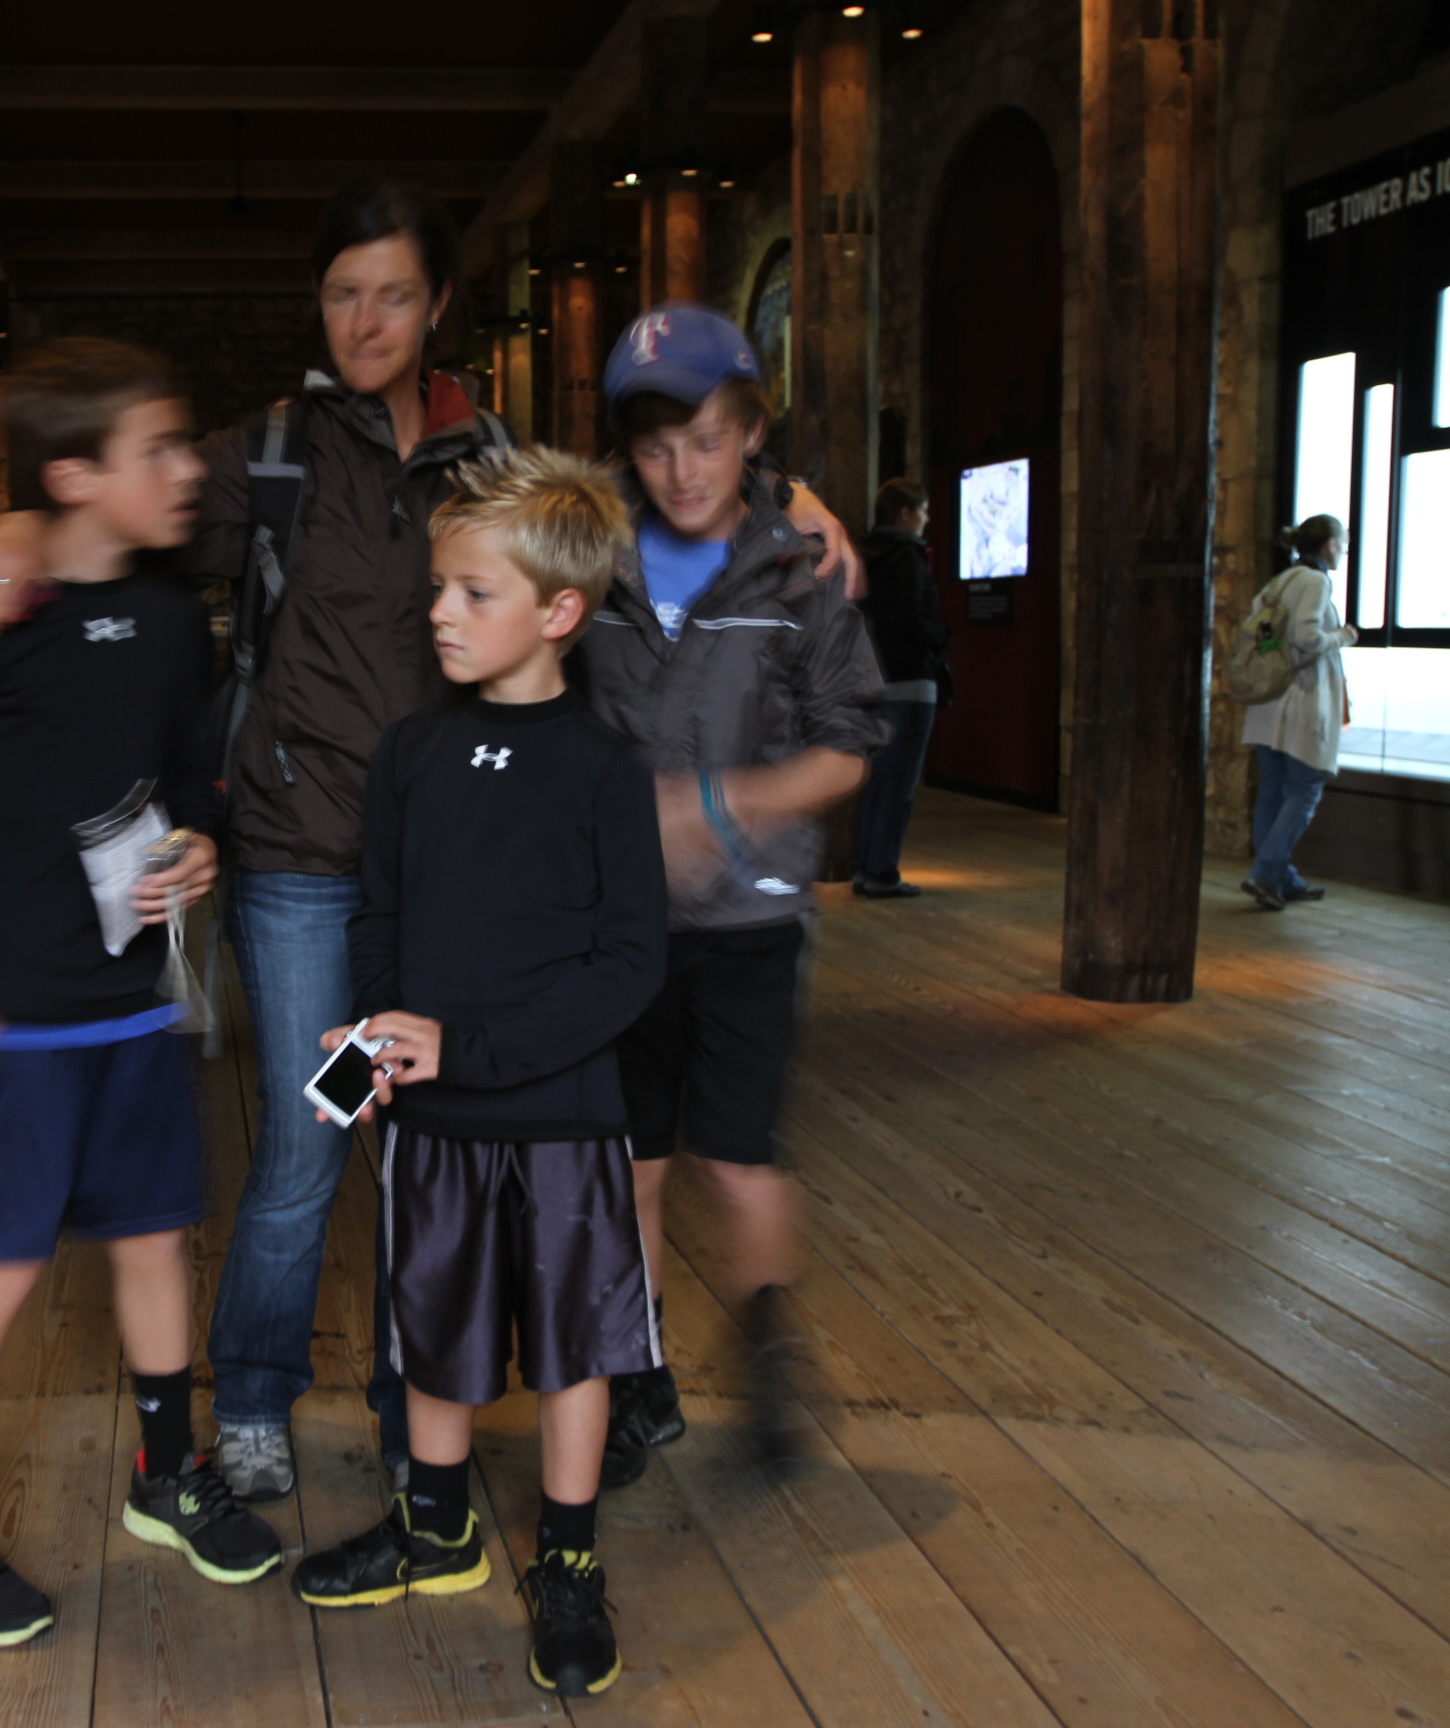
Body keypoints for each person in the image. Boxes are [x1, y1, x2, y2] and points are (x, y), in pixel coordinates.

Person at [0, 186, 859, 1503]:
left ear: (436, 309)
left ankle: (408, 1410)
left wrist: (791, 498)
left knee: (433, 1151)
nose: (364, 320)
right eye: (340, 295)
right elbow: (126, 508)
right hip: (305, 858)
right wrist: (20, 525)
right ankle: (253, 1397)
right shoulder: (272, 451)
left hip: (452, 867)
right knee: (312, 1140)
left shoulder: (494, 453)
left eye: (392, 295)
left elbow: (623, 507)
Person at [0, 337, 282, 1651]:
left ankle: (167, 1475)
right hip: (15, 1021)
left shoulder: (170, 618)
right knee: (0, 1268)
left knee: (155, 1240)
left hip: (136, 1005)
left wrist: (200, 841)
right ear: (72, 475)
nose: (189, 470)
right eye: (159, 450)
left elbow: (186, 777)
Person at [290, 446, 664, 1701]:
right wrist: (372, 1047)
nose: (440, 613)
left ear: (559, 612)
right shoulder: (409, 754)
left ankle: (569, 1563)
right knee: (433, 1328)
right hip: (433, 1120)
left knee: (573, 1346)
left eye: (472, 593)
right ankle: (436, 1529)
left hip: (564, 1116)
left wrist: (478, 1049)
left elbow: (631, 963)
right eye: (437, 590)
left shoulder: (606, 768)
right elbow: (381, 919)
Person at [573, 305, 884, 1489]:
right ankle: (637, 1376)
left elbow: (847, 747)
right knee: (632, 1162)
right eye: (656, 447)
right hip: (621, 926)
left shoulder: (800, 569)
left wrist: (717, 805)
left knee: (740, 1159)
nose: (683, 471)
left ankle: (767, 1352)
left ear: (752, 431)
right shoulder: (586, 549)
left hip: (750, 922)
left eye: (707, 440)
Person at [1240, 514, 1357, 910]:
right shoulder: (1316, 581)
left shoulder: (1279, 582)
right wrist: (1343, 636)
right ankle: (1264, 874)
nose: (1344, 551)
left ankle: (1282, 878)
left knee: (1272, 790)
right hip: (1302, 701)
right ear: (1329, 545)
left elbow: (1263, 632)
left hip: (1268, 702)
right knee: (1305, 789)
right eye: (1343, 544)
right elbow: (1307, 637)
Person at [852, 477, 948, 898]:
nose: (927, 519)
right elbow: (914, 618)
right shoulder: (908, 557)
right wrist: (941, 636)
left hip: (875, 679)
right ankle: (881, 872)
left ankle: (866, 868)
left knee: (878, 782)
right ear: (906, 514)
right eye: (923, 511)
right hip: (910, 680)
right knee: (899, 783)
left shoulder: (867, 555)